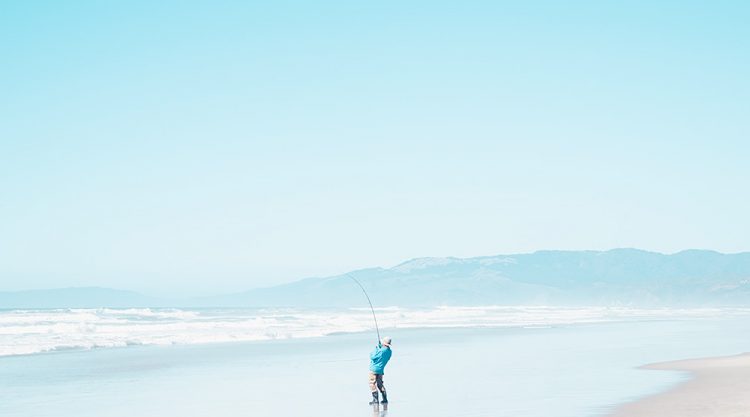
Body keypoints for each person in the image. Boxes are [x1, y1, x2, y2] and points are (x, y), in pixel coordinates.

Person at [368, 336, 392, 405]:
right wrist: (380, 348)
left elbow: (372, 356)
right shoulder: (389, 351)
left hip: (374, 369)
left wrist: (377, 348)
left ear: (384, 343)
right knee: (380, 384)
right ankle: (385, 399)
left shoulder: (380, 350)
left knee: (372, 383)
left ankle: (375, 400)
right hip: (381, 370)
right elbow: (382, 356)